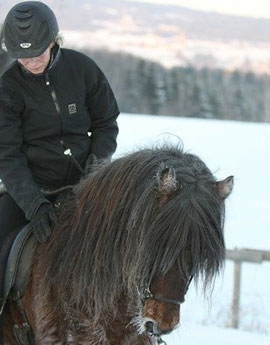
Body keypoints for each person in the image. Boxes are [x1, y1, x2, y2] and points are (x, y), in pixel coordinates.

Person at [0, 0, 120, 330]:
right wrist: (35, 205)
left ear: (54, 41)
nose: (31, 61)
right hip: (29, 192)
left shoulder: (84, 70)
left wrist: (95, 173)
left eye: (38, 52)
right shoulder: (7, 88)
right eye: (22, 56)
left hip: (85, 187)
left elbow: (106, 122)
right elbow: (7, 156)